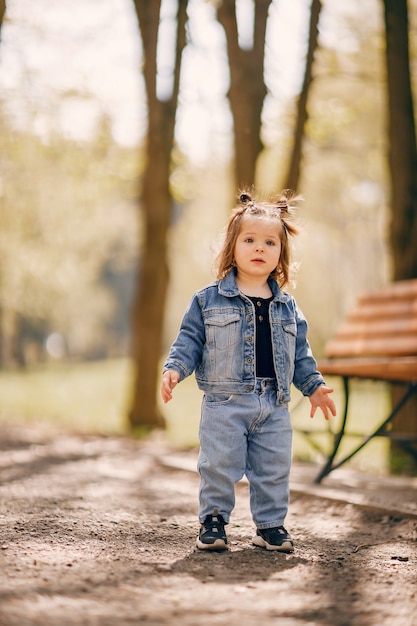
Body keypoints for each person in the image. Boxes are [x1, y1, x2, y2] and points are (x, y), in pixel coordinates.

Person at [160, 190, 336, 553]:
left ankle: (270, 526)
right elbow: (190, 339)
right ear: (233, 247)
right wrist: (176, 369)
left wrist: (314, 386)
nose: (260, 248)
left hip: (274, 405)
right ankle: (213, 522)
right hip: (225, 402)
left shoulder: (287, 306)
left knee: (273, 469)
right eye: (250, 240)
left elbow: (300, 353)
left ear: (280, 254)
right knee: (219, 465)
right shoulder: (208, 300)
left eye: (270, 242)